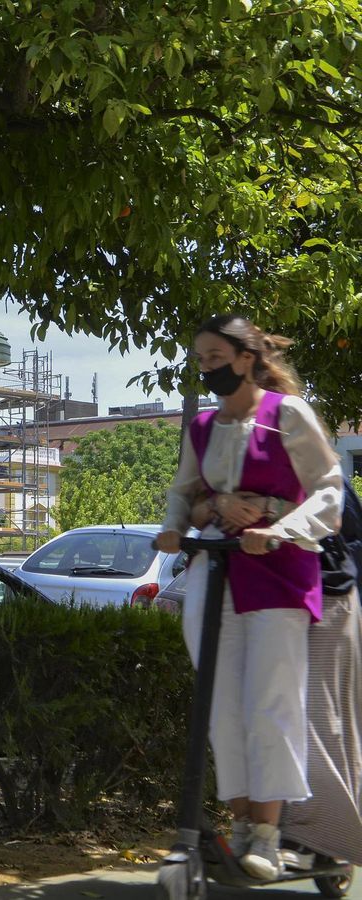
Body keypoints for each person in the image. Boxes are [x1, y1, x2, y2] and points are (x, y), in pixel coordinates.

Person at [157, 314, 344, 881]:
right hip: (216, 568)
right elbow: (185, 492)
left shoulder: (288, 415)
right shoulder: (205, 426)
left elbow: (330, 492)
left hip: (278, 570)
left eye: (215, 357)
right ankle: (239, 825)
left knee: (271, 703)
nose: (206, 367)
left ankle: (267, 832)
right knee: (221, 705)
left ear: (245, 357)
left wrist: (276, 524)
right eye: (200, 360)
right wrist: (185, 519)